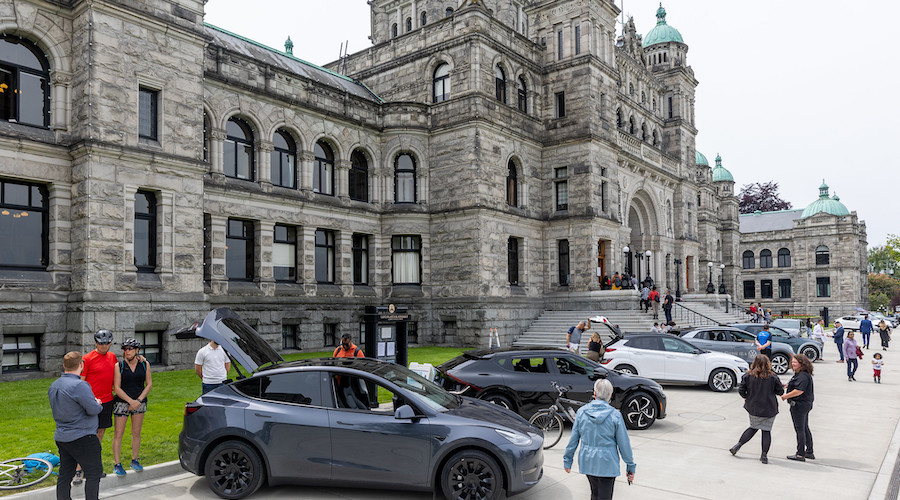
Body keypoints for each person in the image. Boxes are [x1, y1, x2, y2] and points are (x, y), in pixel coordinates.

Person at [563, 378, 636, 500]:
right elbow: (624, 443)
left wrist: (567, 459)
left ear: (595, 393)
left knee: (595, 493)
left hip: (588, 460)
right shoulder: (615, 415)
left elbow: (573, 439)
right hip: (607, 462)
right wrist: (630, 465)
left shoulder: (581, 412)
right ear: (610, 395)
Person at [49, 351, 104, 500]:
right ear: (81, 365)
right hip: (83, 437)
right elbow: (93, 409)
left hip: (62, 436)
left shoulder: (54, 385)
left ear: (64, 365)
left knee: (65, 475)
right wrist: (97, 403)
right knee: (94, 473)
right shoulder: (80, 385)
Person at [77, 329, 117, 484]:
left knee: (99, 435)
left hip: (107, 401)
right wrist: (88, 399)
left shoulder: (112, 356)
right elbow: (80, 382)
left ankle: (92, 468)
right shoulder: (87, 359)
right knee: (84, 436)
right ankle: (78, 470)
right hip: (90, 402)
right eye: (101, 343)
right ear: (95, 343)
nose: (104, 346)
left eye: (107, 343)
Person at [729, 355, 783, 464]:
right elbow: (780, 392)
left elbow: (741, 390)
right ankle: (764, 455)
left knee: (753, 427)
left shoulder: (748, 376)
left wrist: (746, 397)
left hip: (753, 407)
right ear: (768, 364)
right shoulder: (773, 377)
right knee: (766, 431)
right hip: (769, 408)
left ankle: (738, 445)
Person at [111, 338, 152, 476]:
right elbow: (116, 388)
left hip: (139, 403)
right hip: (122, 402)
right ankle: (117, 464)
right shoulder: (119, 365)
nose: (127, 351)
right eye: (125, 349)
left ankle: (134, 459)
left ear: (137, 350)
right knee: (118, 434)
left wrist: (138, 400)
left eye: (130, 348)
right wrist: (130, 401)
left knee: (136, 433)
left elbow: (149, 384)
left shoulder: (145, 364)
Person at [782, 354, 815, 462]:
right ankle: (809, 451)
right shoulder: (801, 374)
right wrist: (787, 385)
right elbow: (796, 385)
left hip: (799, 406)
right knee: (804, 427)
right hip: (804, 405)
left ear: (802, 364)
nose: (793, 364)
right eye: (792, 362)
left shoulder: (803, 376)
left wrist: (786, 396)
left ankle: (800, 454)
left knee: (799, 429)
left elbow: (799, 391)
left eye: (795, 362)